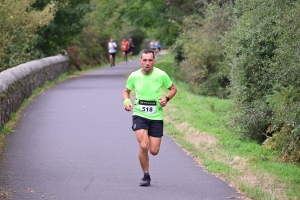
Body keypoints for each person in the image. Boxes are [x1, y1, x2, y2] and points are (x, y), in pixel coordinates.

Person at [123, 49, 177, 186]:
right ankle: (146, 176)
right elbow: (126, 91)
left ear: (154, 61)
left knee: (154, 151)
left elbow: (173, 89)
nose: (147, 63)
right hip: (139, 114)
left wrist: (166, 98)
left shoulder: (161, 75)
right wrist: (127, 101)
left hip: (156, 115)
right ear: (140, 61)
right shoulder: (134, 76)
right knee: (143, 145)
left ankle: (146, 170)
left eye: (150, 60)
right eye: (145, 60)